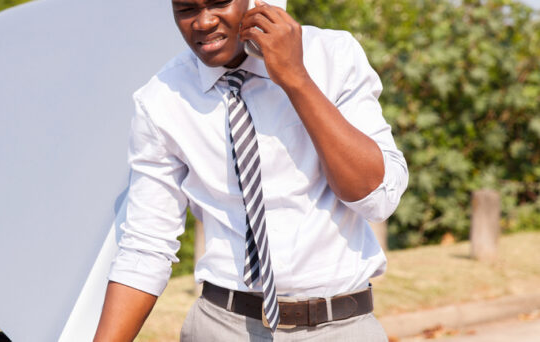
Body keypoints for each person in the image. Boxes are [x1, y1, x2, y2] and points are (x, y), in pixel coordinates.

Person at [94, 0, 408, 340]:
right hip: (223, 326)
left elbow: (376, 199)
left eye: (218, 2)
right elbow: (145, 246)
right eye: (186, 9)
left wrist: (295, 78)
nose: (203, 21)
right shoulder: (162, 101)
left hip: (342, 327)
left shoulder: (332, 56)